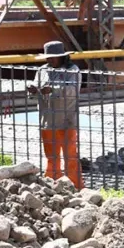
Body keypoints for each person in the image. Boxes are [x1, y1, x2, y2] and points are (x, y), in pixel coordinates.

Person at [27, 41, 83, 189]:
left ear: (61, 57)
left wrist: (53, 90)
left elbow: (72, 91)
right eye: (47, 57)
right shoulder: (42, 71)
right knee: (51, 157)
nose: (49, 60)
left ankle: (76, 186)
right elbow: (34, 92)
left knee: (70, 156)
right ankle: (52, 184)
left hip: (67, 120)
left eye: (52, 57)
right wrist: (32, 90)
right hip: (47, 120)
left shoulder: (73, 70)